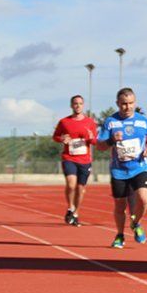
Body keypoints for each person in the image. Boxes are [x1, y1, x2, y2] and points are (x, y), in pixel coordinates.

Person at [97, 88, 147, 248]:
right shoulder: (111, 122)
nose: (127, 107)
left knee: (144, 199)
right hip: (119, 171)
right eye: (124, 104)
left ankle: (136, 223)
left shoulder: (143, 121)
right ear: (118, 104)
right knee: (120, 206)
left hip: (140, 167)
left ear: (135, 103)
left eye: (131, 103)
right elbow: (100, 146)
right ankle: (119, 235)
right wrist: (111, 139)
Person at [52, 95, 98, 226]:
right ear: (71, 106)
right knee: (71, 184)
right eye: (75, 103)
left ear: (83, 105)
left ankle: (75, 213)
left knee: (80, 189)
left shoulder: (90, 122)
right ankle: (70, 207)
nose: (78, 106)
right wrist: (62, 139)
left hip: (84, 160)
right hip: (69, 157)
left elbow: (95, 141)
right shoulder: (64, 122)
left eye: (80, 103)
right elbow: (55, 136)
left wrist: (90, 138)